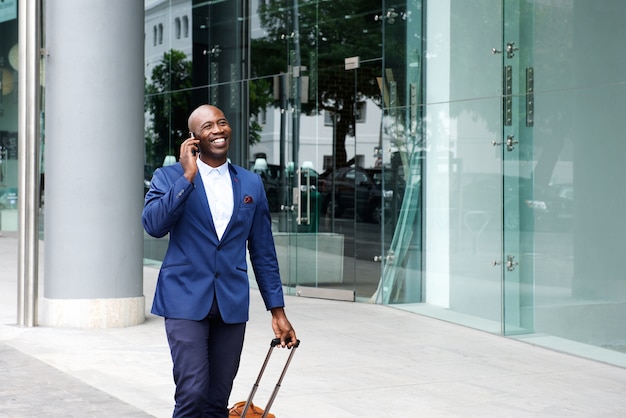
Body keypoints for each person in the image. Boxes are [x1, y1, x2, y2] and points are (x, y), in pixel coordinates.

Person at [142, 104, 297, 417]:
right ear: (194, 137)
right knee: (193, 392)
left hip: (231, 302)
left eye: (222, 122)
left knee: (217, 399)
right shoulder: (168, 177)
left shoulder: (251, 183)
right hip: (184, 298)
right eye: (207, 125)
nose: (217, 130)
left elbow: (263, 250)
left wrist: (277, 311)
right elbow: (154, 226)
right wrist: (187, 176)